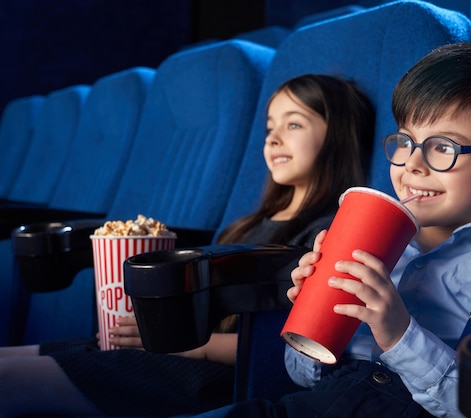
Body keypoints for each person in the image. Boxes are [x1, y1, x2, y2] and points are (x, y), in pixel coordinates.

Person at [178, 41, 471, 418]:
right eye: (405, 141)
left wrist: (399, 334)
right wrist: (312, 319)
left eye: (443, 147)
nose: (412, 164)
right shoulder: (374, 248)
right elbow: (302, 377)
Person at [0, 73, 375, 417]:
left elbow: (294, 345)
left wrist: (196, 347)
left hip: (212, 377)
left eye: (293, 123)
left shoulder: (329, 234)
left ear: (337, 135)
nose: (273, 138)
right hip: (173, 356)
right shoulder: (248, 224)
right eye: (269, 128)